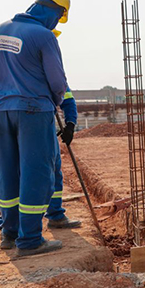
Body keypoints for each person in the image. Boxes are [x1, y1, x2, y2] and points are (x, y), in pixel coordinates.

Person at [0, 0, 71, 256]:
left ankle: (9, 233)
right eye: (60, 18)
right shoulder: (44, 36)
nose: (57, 23)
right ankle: (31, 239)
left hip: (1, 109)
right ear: (56, 11)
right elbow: (58, 82)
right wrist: (59, 103)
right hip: (33, 111)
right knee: (37, 172)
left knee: (9, 171)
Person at [47, 84, 82, 229]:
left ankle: (10, 227)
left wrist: (70, 124)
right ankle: (54, 215)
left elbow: (67, 98)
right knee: (51, 170)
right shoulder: (48, 68)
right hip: (38, 122)